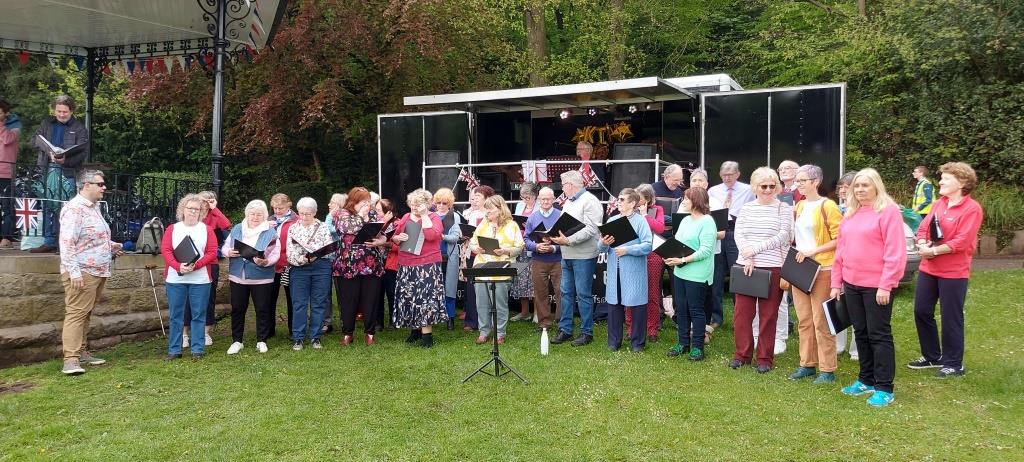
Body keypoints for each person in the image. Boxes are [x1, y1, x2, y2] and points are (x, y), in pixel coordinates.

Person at [831, 168, 906, 407]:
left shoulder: (888, 212)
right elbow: (840, 252)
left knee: (879, 335)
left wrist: (886, 285)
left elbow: (895, 252)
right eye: (857, 186)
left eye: (865, 185)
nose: (860, 189)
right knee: (861, 332)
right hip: (852, 284)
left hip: (877, 286)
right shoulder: (851, 213)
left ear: (876, 186)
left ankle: (885, 387)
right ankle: (866, 380)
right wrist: (836, 283)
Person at [909, 162, 983, 378]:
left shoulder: (972, 209)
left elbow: (962, 241)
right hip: (929, 268)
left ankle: (953, 363)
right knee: (921, 310)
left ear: (962, 183)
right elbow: (923, 227)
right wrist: (922, 243)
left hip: (954, 272)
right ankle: (932, 356)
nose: (940, 181)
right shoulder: (939, 204)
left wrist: (933, 251)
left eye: (946, 179)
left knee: (951, 316)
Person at [58, 170, 123, 375]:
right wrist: (74, 273)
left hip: (97, 270)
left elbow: (89, 238)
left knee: (85, 313)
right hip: (83, 272)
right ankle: (71, 359)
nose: (104, 187)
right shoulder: (75, 209)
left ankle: (82, 352)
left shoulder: (93, 208)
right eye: (100, 184)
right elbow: (67, 244)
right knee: (76, 313)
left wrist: (110, 245)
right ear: (86, 185)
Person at [730, 167, 793, 374]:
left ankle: (765, 358)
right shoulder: (747, 208)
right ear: (755, 187)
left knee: (768, 315)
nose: (767, 189)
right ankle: (742, 355)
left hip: (773, 266)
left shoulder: (783, 208)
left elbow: (784, 236)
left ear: (777, 187)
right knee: (742, 314)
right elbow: (739, 234)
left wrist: (754, 250)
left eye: (771, 185)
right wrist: (747, 256)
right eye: (763, 186)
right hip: (746, 266)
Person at [787, 165, 843, 384]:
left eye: (802, 180)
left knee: (821, 320)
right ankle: (807, 364)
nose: (798, 184)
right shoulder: (799, 205)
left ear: (815, 182)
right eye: (797, 181)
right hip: (801, 268)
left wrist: (814, 251)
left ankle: (827, 369)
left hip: (823, 269)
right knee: (804, 319)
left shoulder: (828, 206)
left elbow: (840, 239)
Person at [548, 170, 603, 347]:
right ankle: (566, 329)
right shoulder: (569, 202)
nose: (562, 188)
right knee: (565, 293)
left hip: (584, 255)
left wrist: (568, 240)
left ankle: (586, 332)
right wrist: (555, 237)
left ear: (571, 185)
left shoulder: (590, 201)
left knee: (583, 294)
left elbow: (591, 230)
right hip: (568, 253)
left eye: (563, 185)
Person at [160, 194, 218, 359]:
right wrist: (178, 266)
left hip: (200, 279)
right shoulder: (173, 228)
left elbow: (212, 252)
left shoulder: (206, 229)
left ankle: (197, 349)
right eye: (190, 208)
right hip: (175, 278)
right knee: (176, 315)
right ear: (182, 210)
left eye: (197, 209)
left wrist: (196, 265)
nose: (193, 211)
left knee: (199, 314)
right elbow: (166, 251)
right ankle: (174, 350)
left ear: (201, 212)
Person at [31, 95, 89, 253]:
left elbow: (83, 151)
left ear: (71, 111)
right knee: (48, 204)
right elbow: (35, 140)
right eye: (58, 111)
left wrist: (66, 160)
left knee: (65, 208)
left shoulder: (79, 128)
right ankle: (48, 241)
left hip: (67, 172)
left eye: (65, 111)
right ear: (54, 110)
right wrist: (48, 151)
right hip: (46, 168)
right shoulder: (46, 123)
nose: (61, 114)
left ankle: (63, 243)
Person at [664, 187, 717, 360]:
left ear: (696, 201)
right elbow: (678, 242)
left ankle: (698, 347)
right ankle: (683, 343)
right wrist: (669, 255)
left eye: (686, 199)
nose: (683, 201)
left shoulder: (708, 221)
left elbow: (705, 251)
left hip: (697, 274)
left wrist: (683, 261)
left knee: (696, 310)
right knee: (682, 309)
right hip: (680, 272)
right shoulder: (686, 220)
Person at [392, 189, 448, 348]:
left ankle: (427, 335)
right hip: (407, 263)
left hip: (427, 264)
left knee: (425, 299)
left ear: (427, 205)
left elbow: (431, 236)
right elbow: (395, 238)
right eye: (412, 205)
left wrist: (424, 216)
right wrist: (398, 238)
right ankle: (414, 330)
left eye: (418, 205)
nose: (414, 208)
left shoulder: (433, 217)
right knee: (410, 297)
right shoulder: (405, 217)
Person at [222, 200, 280, 354]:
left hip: (261, 277)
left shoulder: (271, 232)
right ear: (247, 214)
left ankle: (262, 340)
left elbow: (275, 253)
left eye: (259, 214)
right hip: (238, 276)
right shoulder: (237, 228)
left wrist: (266, 261)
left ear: (264, 216)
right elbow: (226, 246)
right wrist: (228, 252)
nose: (255, 217)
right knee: (238, 309)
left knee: (262, 309)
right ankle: (237, 341)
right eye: (252, 214)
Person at [332, 187, 388, 345]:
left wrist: (382, 240)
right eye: (364, 202)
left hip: (371, 262)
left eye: (369, 202)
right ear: (354, 201)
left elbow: (381, 230)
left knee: (370, 299)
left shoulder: (372, 214)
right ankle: (347, 333)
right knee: (349, 299)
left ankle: (370, 333)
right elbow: (347, 229)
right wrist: (362, 216)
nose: (368, 205)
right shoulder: (341, 214)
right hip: (348, 264)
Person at [600, 188, 653, 352]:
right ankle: (614, 342)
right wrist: (604, 243)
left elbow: (648, 245)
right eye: (619, 198)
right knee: (614, 305)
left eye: (622, 199)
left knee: (637, 306)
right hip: (614, 269)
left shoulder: (640, 221)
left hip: (633, 270)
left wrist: (628, 250)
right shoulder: (612, 219)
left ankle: (637, 343)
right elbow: (600, 249)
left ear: (632, 203)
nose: (618, 202)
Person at [469, 195, 524, 345]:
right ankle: (484, 331)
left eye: (491, 210)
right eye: (486, 211)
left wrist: (505, 250)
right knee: (482, 303)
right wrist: (476, 248)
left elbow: (519, 247)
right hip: (481, 267)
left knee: (499, 303)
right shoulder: (483, 224)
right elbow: (472, 243)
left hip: (502, 268)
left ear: (500, 209)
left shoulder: (512, 225)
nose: (488, 214)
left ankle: (500, 332)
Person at [182, 190, 231, 349]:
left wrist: (214, 208)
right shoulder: (191, 214)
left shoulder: (214, 217)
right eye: (203, 200)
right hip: (189, 261)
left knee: (208, 298)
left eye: (209, 201)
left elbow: (226, 225)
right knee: (186, 299)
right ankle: (184, 334)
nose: (205, 203)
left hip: (210, 263)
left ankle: (205, 332)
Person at [285, 197, 334, 350]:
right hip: (299, 269)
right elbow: (289, 252)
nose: (304, 217)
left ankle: (316, 336)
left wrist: (315, 255)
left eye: (308, 214)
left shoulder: (323, 227)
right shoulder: (293, 228)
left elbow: (329, 249)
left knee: (319, 302)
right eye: (301, 213)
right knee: (299, 303)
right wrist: (301, 259)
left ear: (315, 213)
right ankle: (298, 337)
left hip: (321, 267)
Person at [683, 169, 726, 344]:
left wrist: (703, 233)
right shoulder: (683, 203)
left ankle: (706, 327)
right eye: (694, 180)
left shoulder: (715, 203)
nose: (697, 183)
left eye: (701, 180)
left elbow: (722, 233)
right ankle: (687, 329)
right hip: (686, 254)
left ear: (707, 184)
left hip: (709, 254)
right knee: (689, 295)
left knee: (709, 292)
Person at [707, 161, 754, 301]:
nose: (727, 178)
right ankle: (716, 316)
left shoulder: (748, 190)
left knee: (737, 270)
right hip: (718, 231)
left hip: (736, 231)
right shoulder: (713, 191)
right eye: (724, 175)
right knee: (717, 273)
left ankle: (739, 309)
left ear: (738, 174)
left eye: (730, 175)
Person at [524, 187, 562, 331]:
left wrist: (554, 248)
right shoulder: (532, 217)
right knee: (540, 292)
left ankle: (561, 322)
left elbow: (567, 239)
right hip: (538, 259)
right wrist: (536, 247)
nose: (545, 201)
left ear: (553, 199)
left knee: (561, 292)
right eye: (542, 199)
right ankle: (544, 323)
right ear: (539, 199)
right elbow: (526, 239)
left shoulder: (560, 215)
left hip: (557, 259)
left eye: (548, 199)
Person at [633, 183, 666, 342]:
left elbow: (660, 228)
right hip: (633, 253)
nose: (637, 202)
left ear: (648, 199)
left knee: (652, 293)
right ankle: (631, 326)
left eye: (640, 199)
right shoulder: (630, 210)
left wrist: (645, 215)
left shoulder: (657, 210)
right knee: (631, 292)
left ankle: (652, 328)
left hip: (652, 254)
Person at [460, 185, 495, 331]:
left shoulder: (493, 213)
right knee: (471, 288)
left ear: (487, 198)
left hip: (488, 255)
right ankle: (471, 321)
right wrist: (464, 234)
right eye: (474, 196)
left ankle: (489, 322)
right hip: (472, 254)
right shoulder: (471, 214)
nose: (475, 199)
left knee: (489, 289)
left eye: (478, 196)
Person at [833, 171, 858, 360]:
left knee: (858, 308)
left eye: (846, 187)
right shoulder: (837, 208)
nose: (842, 190)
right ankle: (838, 344)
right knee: (838, 304)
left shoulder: (860, 211)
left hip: (856, 266)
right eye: (840, 187)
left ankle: (856, 349)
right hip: (837, 263)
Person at [268, 193, 297, 337]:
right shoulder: (268, 220)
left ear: (288, 205)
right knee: (268, 299)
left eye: (280, 208)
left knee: (292, 298)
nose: (277, 211)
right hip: (271, 265)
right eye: (275, 208)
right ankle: (268, 330)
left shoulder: (296, 220)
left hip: (289, 264)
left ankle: (294, 330)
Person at [433, 188, 463, 330]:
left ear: (449, 203)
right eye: (438, 202)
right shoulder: (431, 216)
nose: (441, 205)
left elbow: (456, 237)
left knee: (450, 288)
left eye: (444, 203)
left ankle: (450, 317)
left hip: (449, 257)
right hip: (433, 257)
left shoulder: (454, 216)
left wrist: (443, 237)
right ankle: (434, 316)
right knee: (433, 288)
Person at [511, 182, 539, 322]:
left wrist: (530, 226)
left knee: (534, 279)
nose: (525, 200)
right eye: (523, 197)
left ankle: (536, 313)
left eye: (528, 197)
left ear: (535, 196)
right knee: (520, 278)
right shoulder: (519, 205)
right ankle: (524, 311)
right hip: (521, 245)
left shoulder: (540, 206)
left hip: (534, 245)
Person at [322, 192, 347, 333]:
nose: (329, 204)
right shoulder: (329, 217)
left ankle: (346, 320)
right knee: (325, 292)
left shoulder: (345, 218)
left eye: (332, 202)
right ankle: (327, 322)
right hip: (327, 260)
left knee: (342, 292)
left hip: (341, 260)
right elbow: (325, 232)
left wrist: (331, 218)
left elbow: (338, 232)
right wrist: (330, 217)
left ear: (339, 205)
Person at [0, 98, 19, 249]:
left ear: (6, 114)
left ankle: (7, 237)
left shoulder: (14, 127)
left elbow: (7, 140)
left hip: (5, 172)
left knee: (7, 206)